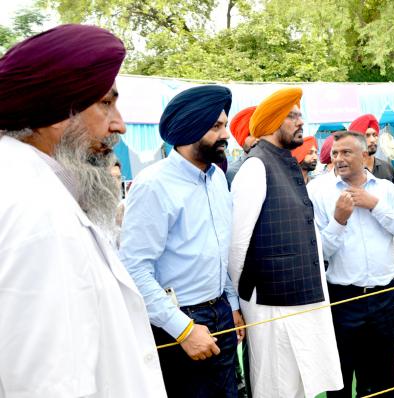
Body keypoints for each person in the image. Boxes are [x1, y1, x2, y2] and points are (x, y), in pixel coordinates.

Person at [0, 24, 167, 397]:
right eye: (105, 103)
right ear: (56, 110)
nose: (119, 124)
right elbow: (48, 386)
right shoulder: (35, 212)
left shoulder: (29, 185)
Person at [119, 85, 243, 397]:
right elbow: (133, 268)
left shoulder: (216, 178)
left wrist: (232, 304)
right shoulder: (153, 185)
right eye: (216, 127)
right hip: (179, 320)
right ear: (190, 128)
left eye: (225, 125)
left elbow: (219, 250)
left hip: (221, 314)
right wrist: (183, 330)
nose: (226, 135)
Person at [228, 87, 343, 397]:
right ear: (273, 122)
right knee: (276, 386)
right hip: (269, 303)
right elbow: (236, 246)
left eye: (300, 114)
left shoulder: (282, 161)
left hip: (299, 298)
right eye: (292, 116)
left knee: (300, 384)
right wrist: (245, 299)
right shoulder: (255, 166)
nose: (300, 122)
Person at [307, 131, 394, 397]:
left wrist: (376, 206)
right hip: (343, 300)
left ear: (364, 155)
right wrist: (339, 220)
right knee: (340, 380)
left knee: (383, 380)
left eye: (346, 152)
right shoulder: (317, 191)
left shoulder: (385, 190)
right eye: (335, 153)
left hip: (384, 298)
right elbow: (319, 253)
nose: (339, 159)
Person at [349, 114, 394, 186]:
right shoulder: (349, 170)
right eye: (367, 136)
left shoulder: (387, 168)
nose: (372, 140)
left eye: (375, 135)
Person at [226, 106, 257, 188]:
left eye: (262, 134)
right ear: (241, 138)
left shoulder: (280, 166)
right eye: (251, 135)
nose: (257, 139)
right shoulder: (233, 173)